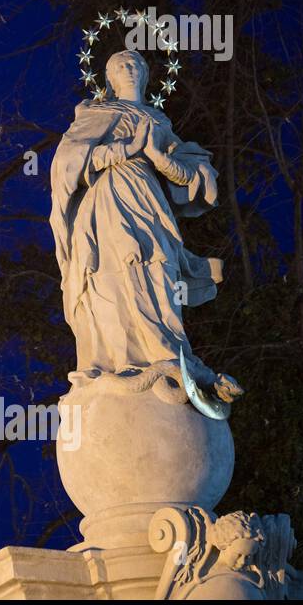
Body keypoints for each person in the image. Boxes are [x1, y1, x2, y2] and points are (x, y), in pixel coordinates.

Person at [49, 49, 241, 402]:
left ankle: (168, 353)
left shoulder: (159, 122)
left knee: (160, 268)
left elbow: (193, 176)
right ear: (108, 78)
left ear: (148, 75)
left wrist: (157, 156)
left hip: (151, 203)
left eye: (136, 63)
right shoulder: (96, 113)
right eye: (121, 64)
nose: (130, 68)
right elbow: (68, 163)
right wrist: (127, 148)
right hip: (106, 202)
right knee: (115, 269)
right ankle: (117, 360)